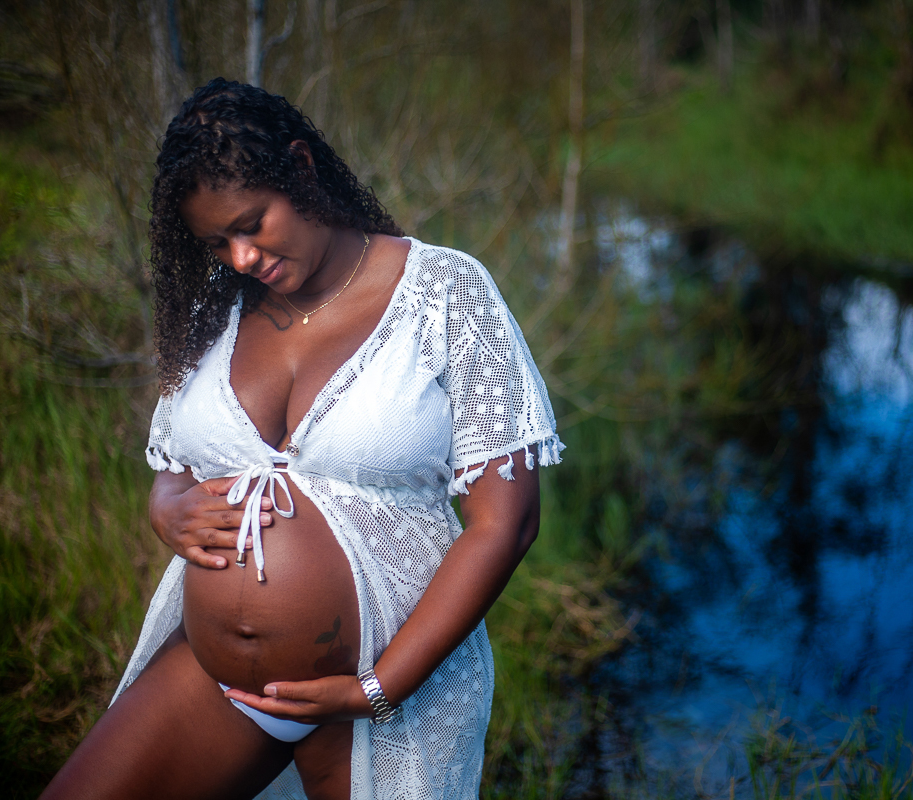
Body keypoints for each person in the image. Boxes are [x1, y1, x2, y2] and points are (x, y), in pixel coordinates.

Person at [40, 78, 563, 800]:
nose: (242, 256)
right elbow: (176, 461)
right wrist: (166, 507)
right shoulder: (215, 308)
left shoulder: (444, 291)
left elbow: (508, 521)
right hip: (215, 676)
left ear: (302, 167)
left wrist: (379, 687)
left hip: (386, 684)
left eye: (253, 223)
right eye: (218, 242)